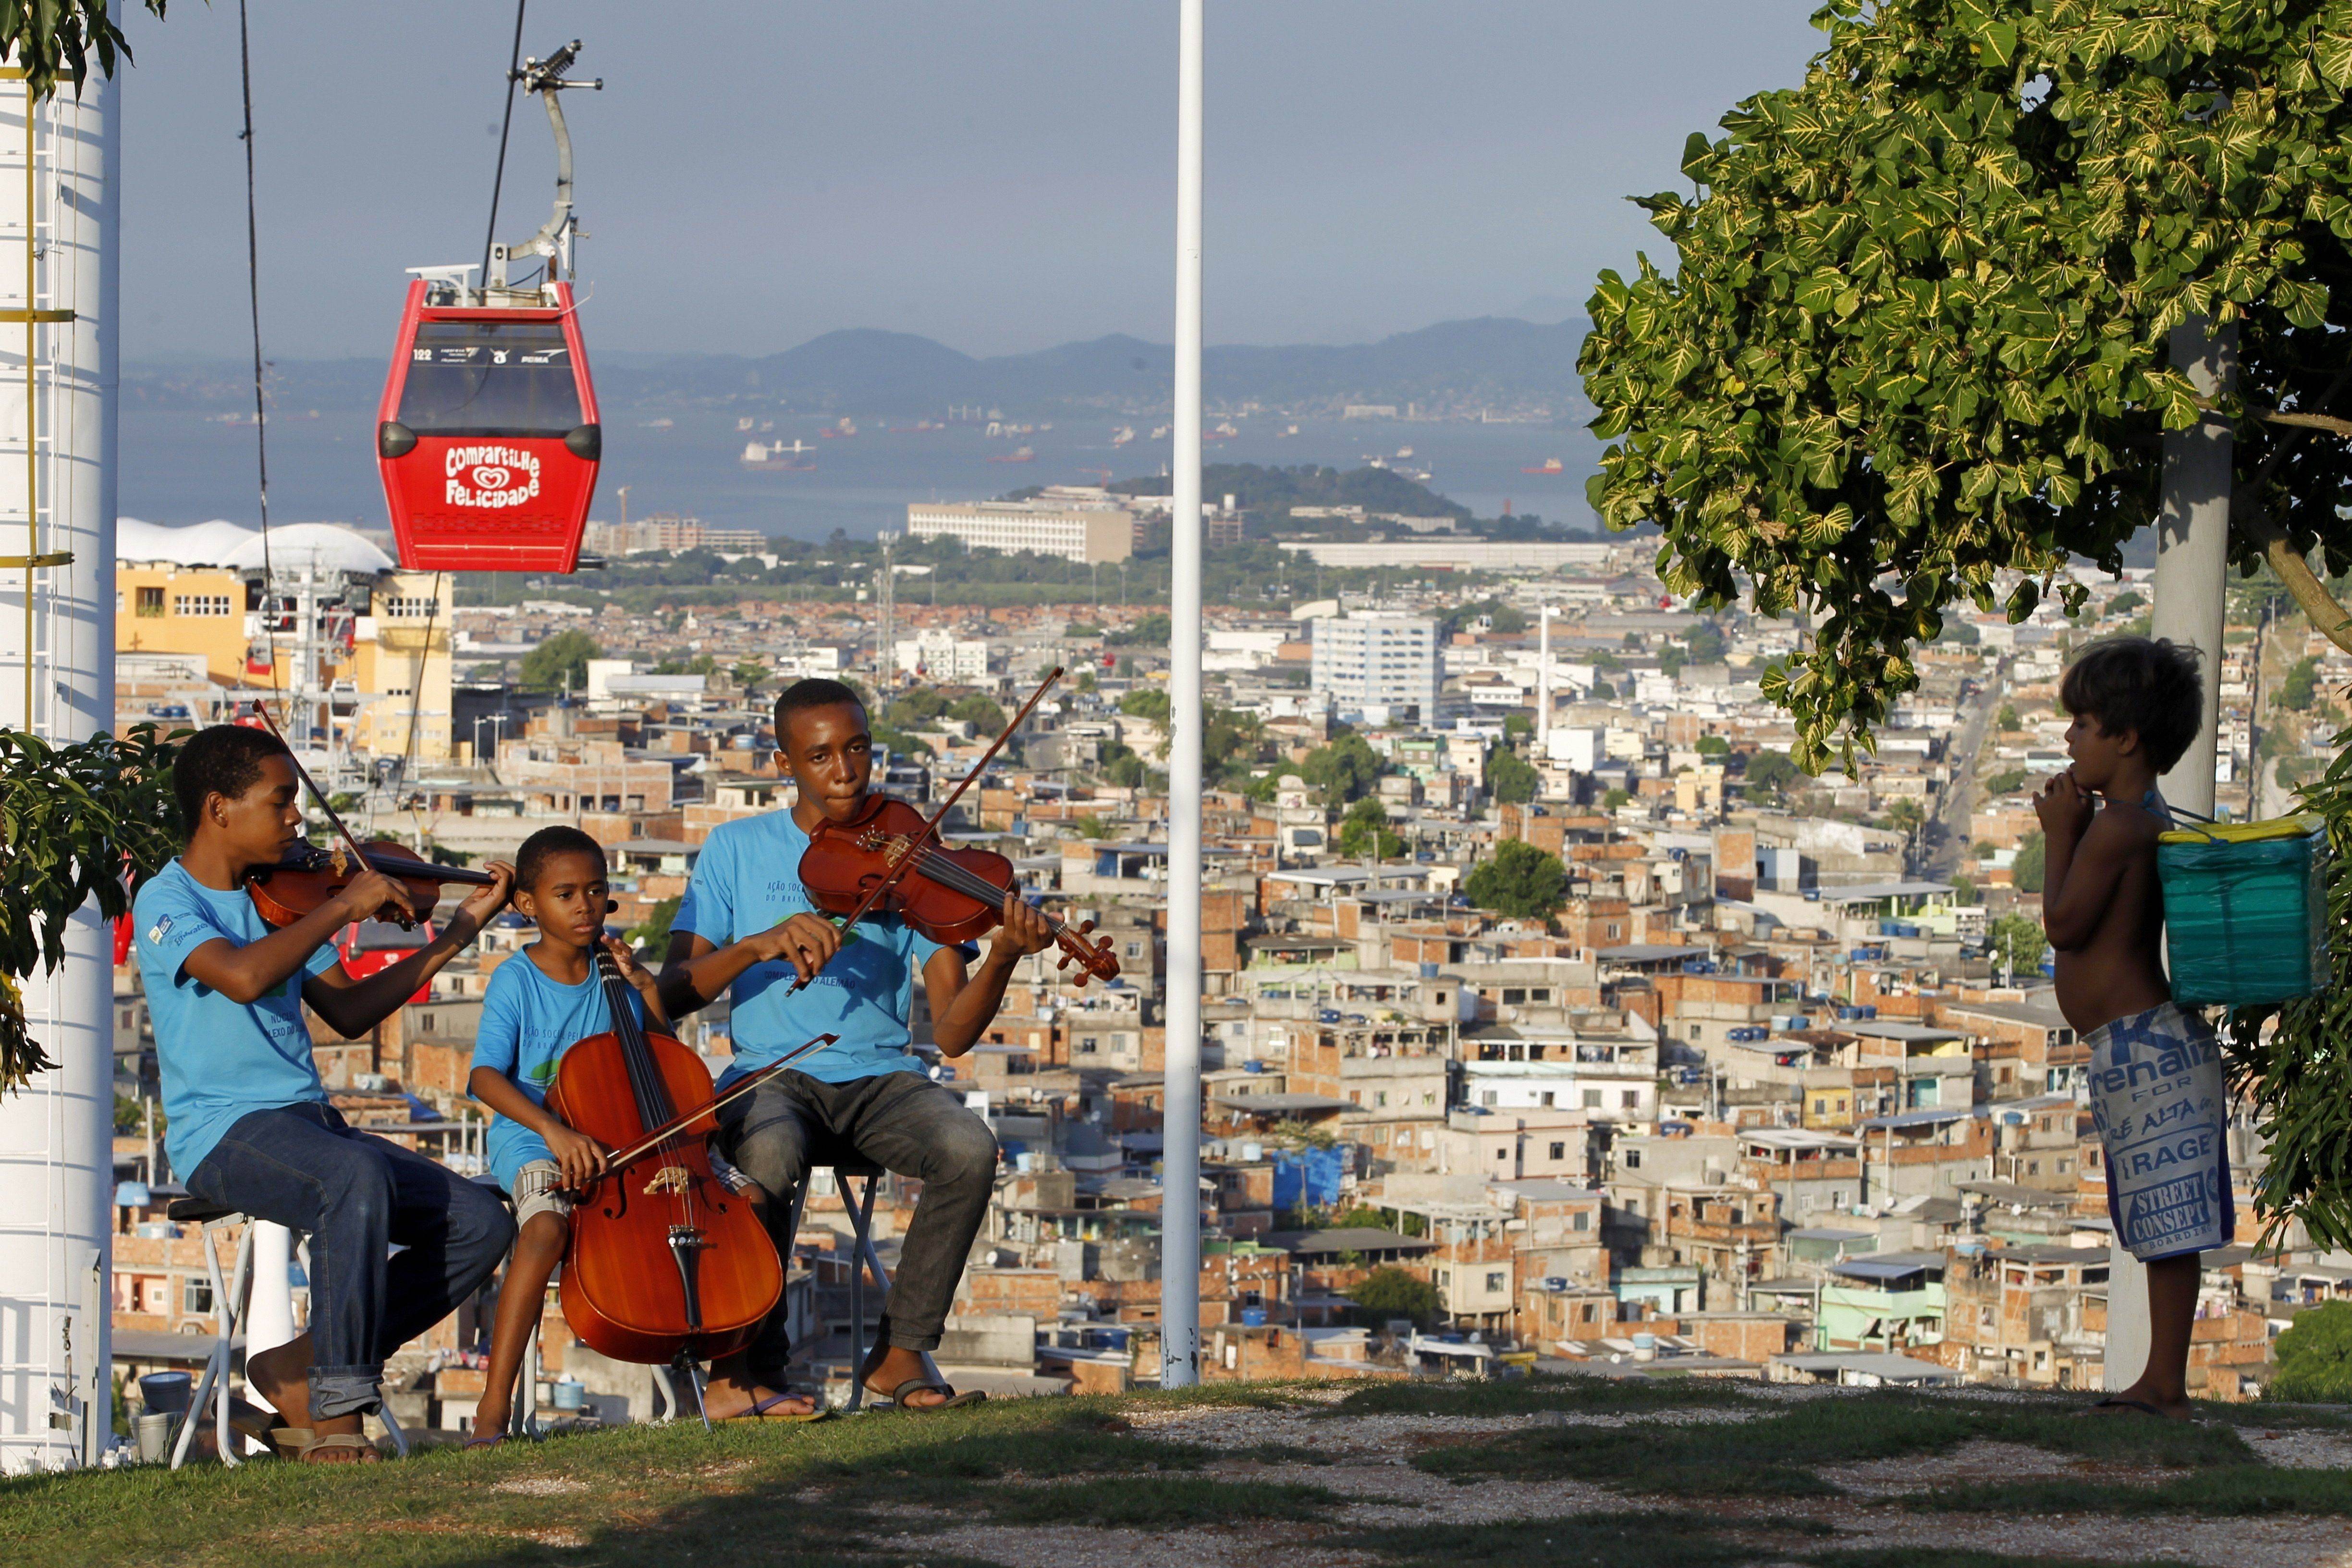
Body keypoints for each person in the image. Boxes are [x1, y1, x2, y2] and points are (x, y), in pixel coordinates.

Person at [659, 677, 1054, 1410]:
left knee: (969, 1147)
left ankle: (901, 1353)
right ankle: (747, 1372)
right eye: (820, 757)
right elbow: (672, 993)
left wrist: (1001, 957)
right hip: (768, 1076)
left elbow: (954, 1033)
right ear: (785, 764)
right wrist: (756, 946)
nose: (845, 772)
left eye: (858, 749)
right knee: (770, 1152)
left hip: (880, 1080)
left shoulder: (912, 856)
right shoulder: (735, 849)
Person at [134, 725, 517, 1462]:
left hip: (309, 1124)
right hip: (222, 1133)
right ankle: (338, 1417)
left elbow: (349, 1011)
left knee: (479, 1223)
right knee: (353, 1173)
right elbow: (242, 976)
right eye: (280, 802)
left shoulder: (277, 898)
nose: (296, 819)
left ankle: (295, 1367)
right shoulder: (166, 900)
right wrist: (341, 910)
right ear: (218, 808)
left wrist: (461, 929)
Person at [464, 825, 809, 1440]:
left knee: (750, 1203)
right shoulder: (516, 980)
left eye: (596, 891)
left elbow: (665, 1065)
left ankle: (731, 1379)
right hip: (538, 1138)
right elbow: (484, 1076)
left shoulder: (618, 977)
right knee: (545, 1230)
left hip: (631, 1138)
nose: (585, 906)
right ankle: (493, 1406)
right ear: (527, 905)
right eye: (566, 894)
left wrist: (647, 990)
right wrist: (554, 1131)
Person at [2036, 635, 2226, 1421]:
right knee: (2156, 1218)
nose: (2069, 737)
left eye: (2082, 723)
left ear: (2125, 738)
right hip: (2139, 1046)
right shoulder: (2135, 817)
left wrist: (2058, 833)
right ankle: (2159, 1379)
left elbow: (2063, 924)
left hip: (2147, 1046)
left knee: (2168, 1221)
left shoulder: (2119, 827)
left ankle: (2164, 1384)